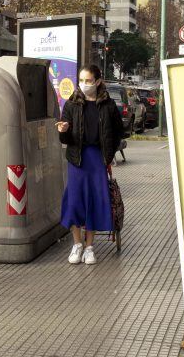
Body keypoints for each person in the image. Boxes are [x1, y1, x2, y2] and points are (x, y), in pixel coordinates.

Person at [57, 65, 124, 265]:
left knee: (94, 201)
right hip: (77, 158)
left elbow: (118, 132)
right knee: (75, 200)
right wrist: (63, 130)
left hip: (98, 159)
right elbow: (65, 139)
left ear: (98, 81)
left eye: (88, 80)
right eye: (82, 80)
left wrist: (109, 154)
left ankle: (90, 247)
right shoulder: (71, 104)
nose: (84, 85)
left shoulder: (108, 105)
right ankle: (76, 244)